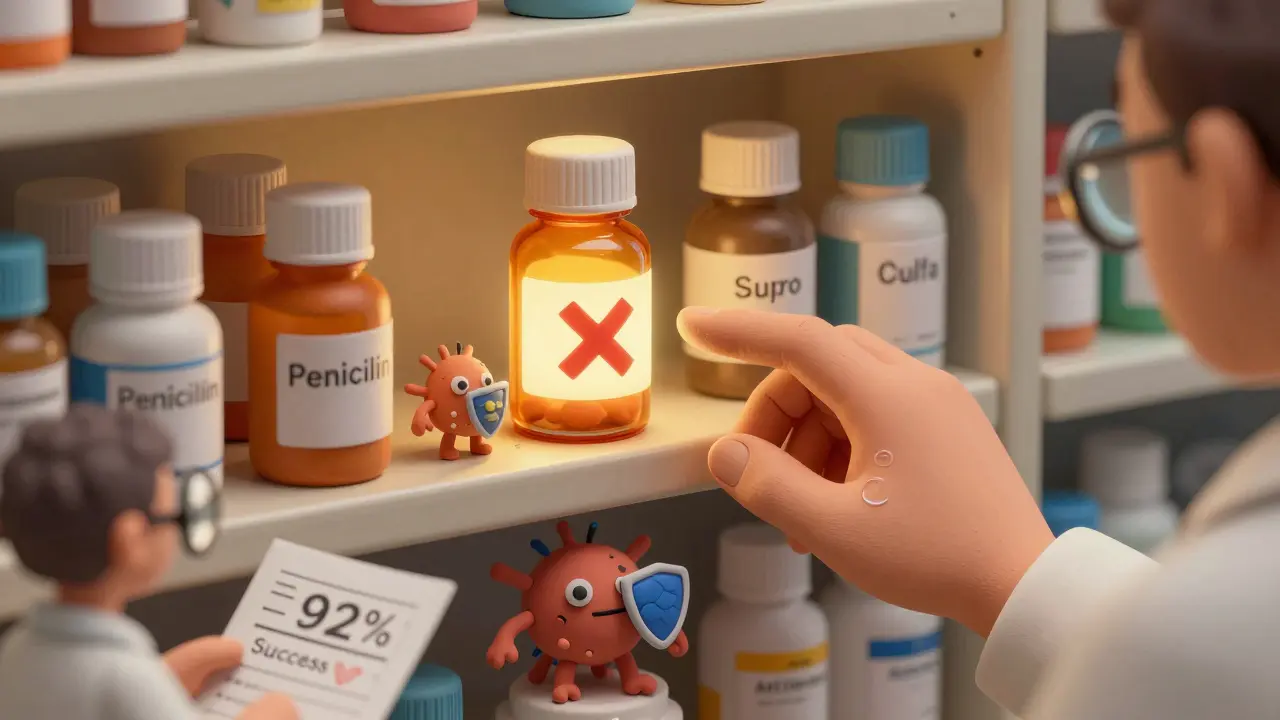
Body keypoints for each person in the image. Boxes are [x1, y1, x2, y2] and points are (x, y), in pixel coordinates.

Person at [678, 0, 1280, 717]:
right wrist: (1012, 571)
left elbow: (1192, 668)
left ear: (1219, 185)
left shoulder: (1206, 635)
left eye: (1122, 153)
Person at [0, 404, 297, 720]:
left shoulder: (18, 646)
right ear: (131, 540)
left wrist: (161, 678)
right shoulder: (124, 677)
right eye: (174, 517)